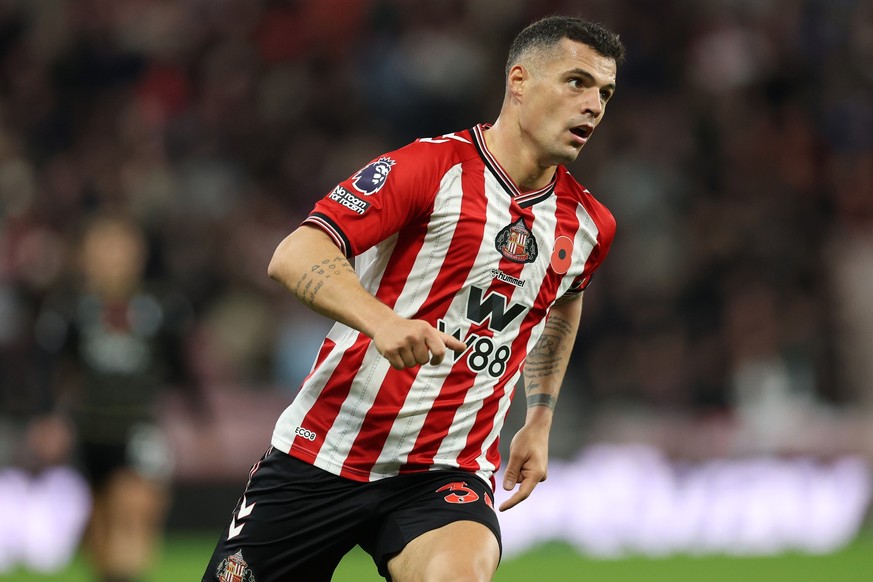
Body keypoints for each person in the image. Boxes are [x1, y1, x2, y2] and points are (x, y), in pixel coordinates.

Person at [204, 15, 625, 582]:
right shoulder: (431, 168)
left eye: (605, 92)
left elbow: (562, 302)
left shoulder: (589, 225)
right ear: (519, 81)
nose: (594, 105)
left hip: (445, 470)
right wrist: (381, 321)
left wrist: (540, 418)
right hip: (325, 450)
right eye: (577, 82)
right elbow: (296, 254)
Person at [37, 214, 201, 582]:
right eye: (105, 248)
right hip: (89, 430)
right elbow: (49, 368)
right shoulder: (70, 308)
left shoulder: (161, 306)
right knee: (100, 544)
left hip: (139, 427)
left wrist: (200, 418)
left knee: (134, 515)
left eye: (122, 248)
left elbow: (184, 369)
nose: (114, 258)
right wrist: (46, 417)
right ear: (87, 256)